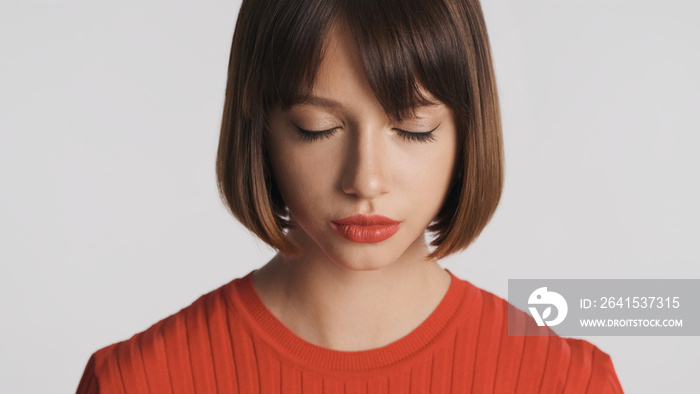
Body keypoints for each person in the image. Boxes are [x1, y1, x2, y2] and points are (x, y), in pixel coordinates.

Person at [77, 0, 623, 392]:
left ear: (468, 133)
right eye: (317, 128)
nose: (365, 181)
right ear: (259, 129)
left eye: (412, 129)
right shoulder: (137, 380)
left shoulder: (567, 381)